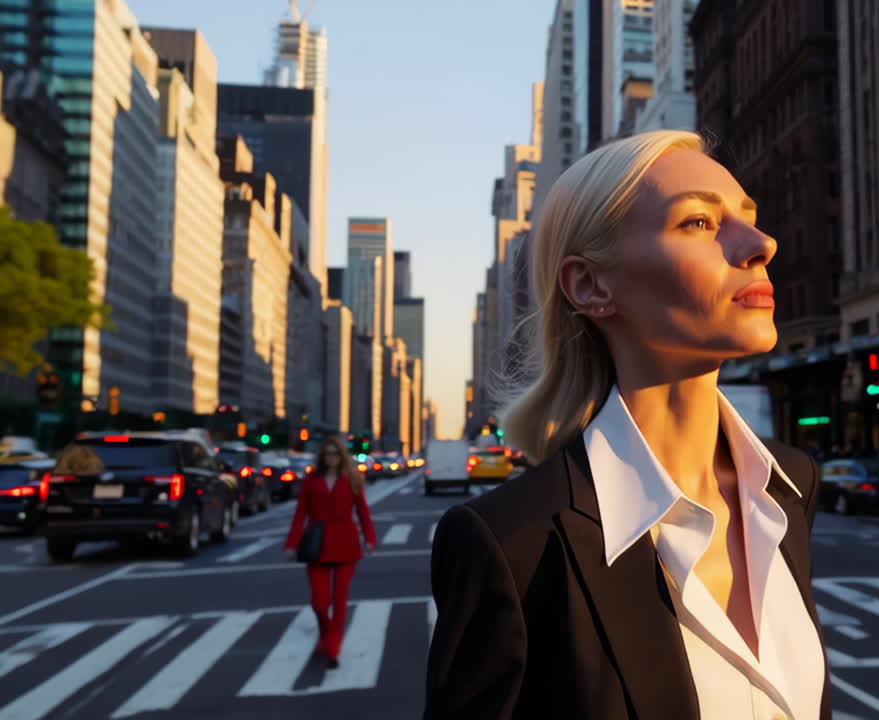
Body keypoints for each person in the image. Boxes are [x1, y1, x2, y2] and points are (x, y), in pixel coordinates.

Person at [423, 130, 829, 719]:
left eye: (749, 217)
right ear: (591, 285)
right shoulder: (510, 542)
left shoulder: (789, 489)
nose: (761, 243)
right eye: (698, 222)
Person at [284, 435, 377, 669]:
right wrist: (292, 543)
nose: (331, 457)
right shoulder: (311, 480)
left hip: (346, 544)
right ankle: (326, 635)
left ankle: (333, 648)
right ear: (322, 456)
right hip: (317, 544)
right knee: (319, 602)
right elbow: (300, 513)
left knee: (339, 600)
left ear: (341, 456)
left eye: (335, 453)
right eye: (327, 453)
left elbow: (363, 511)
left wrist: (370, 538)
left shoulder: (352, 479)